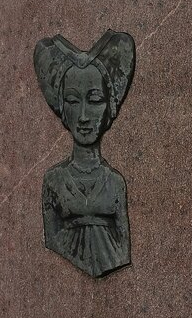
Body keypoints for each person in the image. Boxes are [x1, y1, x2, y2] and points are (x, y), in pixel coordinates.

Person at [33, 30, 136, 278]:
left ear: (109, 108)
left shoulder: (115, 182)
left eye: (95, 100)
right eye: (72, 101)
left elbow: (122, 244)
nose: (83, 116)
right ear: (62, 108)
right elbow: (51, 240)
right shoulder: (54, 180)